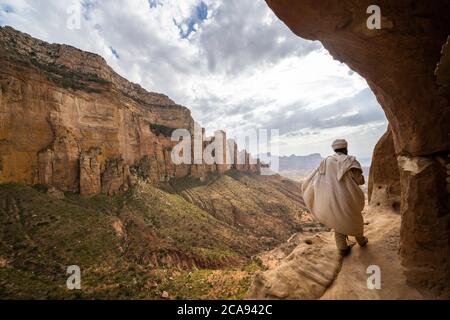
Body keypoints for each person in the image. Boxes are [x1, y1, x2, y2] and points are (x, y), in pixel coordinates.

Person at [301, 139, 368, 256]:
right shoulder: (350, 161)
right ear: (345, 148)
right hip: (349, 197)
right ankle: (361, 240)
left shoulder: (326, 161)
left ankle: (342, 248)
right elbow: (359, 180)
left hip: (333, 198)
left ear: (334, 149)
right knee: (355, 218)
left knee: (338, 220)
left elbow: (318, 178)